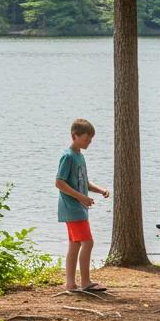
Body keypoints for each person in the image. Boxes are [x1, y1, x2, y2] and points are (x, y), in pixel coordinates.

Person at [54, 118, 110, 292]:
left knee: (76, 244)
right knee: (88, 242)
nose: (89, 142)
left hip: (78, 207)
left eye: (91, 139)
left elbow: (83, 182)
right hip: (72, 207)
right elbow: (59, 183)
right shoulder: (68, 156)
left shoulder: (79, 156)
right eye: (86, 139)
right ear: (74, 136)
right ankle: (85, 282)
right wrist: (81, 198)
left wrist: (100, 190)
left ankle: (70, 283)